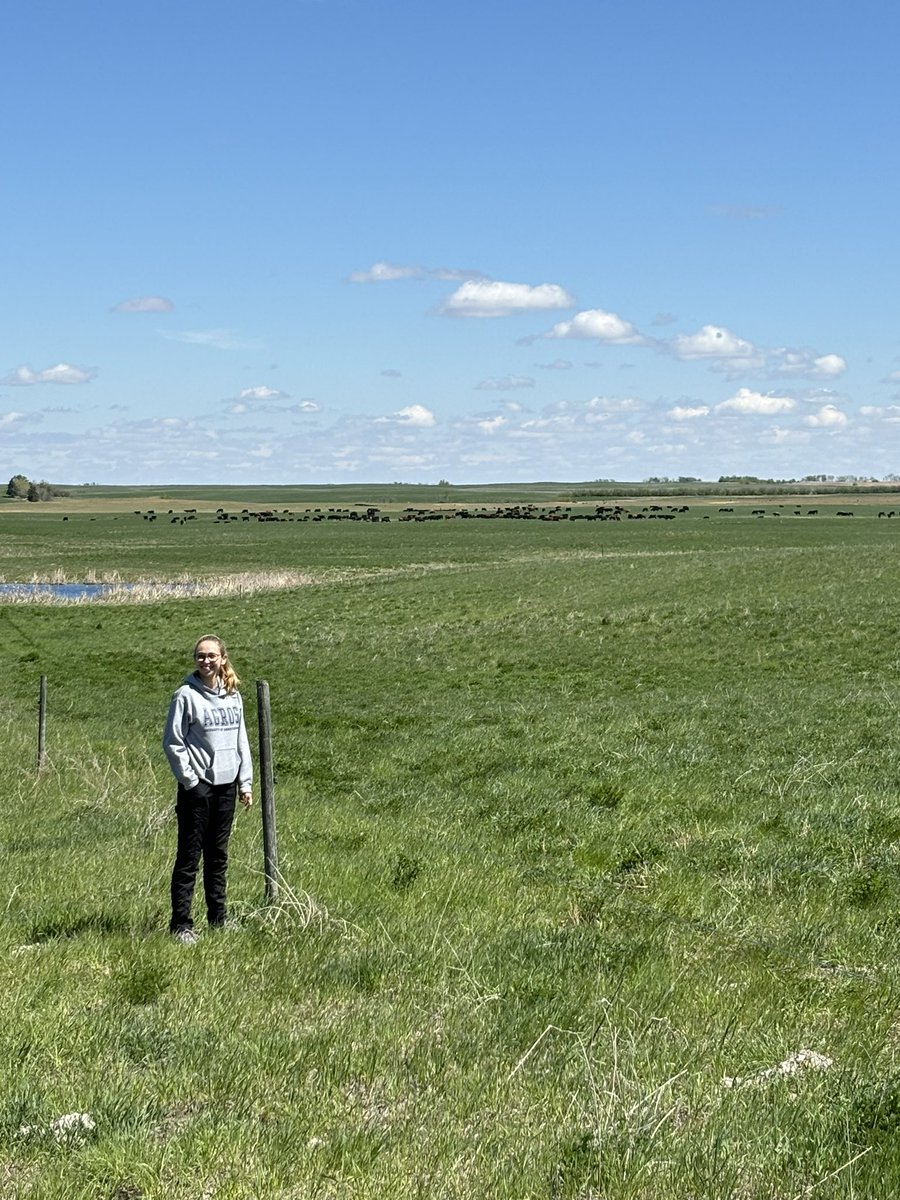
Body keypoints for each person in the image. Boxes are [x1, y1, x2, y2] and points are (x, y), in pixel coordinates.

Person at [163, 635, 253, 944]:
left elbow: (241, 741)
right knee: (189, 857)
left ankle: (218, 917)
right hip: (197, 789)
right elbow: (173, 743)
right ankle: (181, 924)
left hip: (226, 788)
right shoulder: (185, 696)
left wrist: (245, 783)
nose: (205, 661)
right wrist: (191, 782)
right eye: (200, 656)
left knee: (218, 856)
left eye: (211, 656)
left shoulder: (233, 696)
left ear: (223, 658)